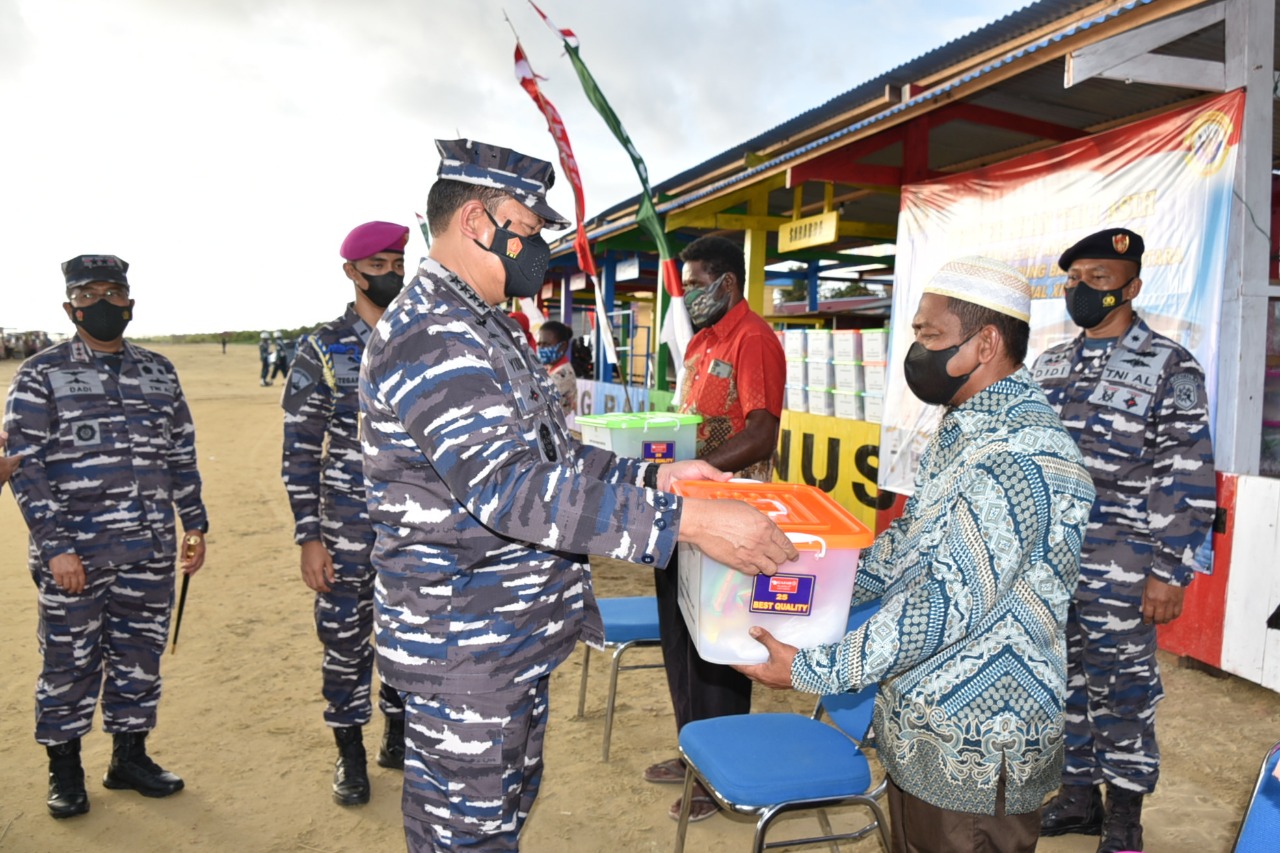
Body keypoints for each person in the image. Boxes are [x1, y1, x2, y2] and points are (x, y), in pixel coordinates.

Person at [359, 137, 798, 852]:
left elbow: (552, 455)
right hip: (462, 653)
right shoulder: (433, 334)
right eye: (529, 231)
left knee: (500, 826)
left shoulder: (488, 325)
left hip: (504, 642)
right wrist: (685, 519)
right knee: (465, 840)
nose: (540, 249)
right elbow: (512, 489)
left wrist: (655, 476)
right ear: (477, 222)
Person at [736, 257, 1096, 853]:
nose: (917, 350)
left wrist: (808, 669)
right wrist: (799, 578)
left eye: (930, 336)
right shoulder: (965, 430)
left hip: (975, 746)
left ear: (985, 344)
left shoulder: (1018, 453)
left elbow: (945, 603)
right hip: (920, 725)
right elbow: (903, 550)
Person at [3, 254, 209, 820]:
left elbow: (180, 454)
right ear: (69, 307)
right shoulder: (41, 374)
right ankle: (64, 771)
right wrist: (57, 547)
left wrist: (194, 523)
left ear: (130, 302)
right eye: (87, 295)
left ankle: (129, 759)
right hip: (77, 554)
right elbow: (24, 465)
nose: (101, 304)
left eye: (112, 293)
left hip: (149, 549)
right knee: (69, 664)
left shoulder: (159, 371)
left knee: (139, 657)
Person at [1032, 228, 1215, 853]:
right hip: (1052, 563)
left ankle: (1124, 816)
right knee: (1065, 682)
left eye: (1099, 280)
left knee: (1123, 688)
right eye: (1074, 280)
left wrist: (1172, 570)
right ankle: (1078, 799)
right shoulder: (1049, 364)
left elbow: (1185, 472)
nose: (1082, 291)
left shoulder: (1170, 365)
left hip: (1125, 563)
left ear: (1132, 287)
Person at [643, 234, 787, 822]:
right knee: (680, 635)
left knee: (719, 647)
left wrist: (694, 472)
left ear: (728, 282)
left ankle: (720, 773)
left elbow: (761, 434)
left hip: (730, 519)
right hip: (686, 513)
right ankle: (693, 750)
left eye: (697, 284)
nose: (691, 296)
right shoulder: (702, 341)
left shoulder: (754, 338)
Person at [281, 221, 411, 807]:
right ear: (352, 273)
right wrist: (310, 536)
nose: (392, 274)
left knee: (408, 638)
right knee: (345, 642)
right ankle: (350, 755)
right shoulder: (323, 347)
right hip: (347, 527)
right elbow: (301, 449)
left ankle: (398, 736)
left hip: (415, 528)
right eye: (379, 265)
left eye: (398, 263)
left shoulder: (422, 337)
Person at [535, 319, 576, 417]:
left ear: (562, 346)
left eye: (547, 344)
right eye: (539, 344)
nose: (541, 348)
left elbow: (536, 399)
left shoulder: (564, 374)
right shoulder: (548, 368)